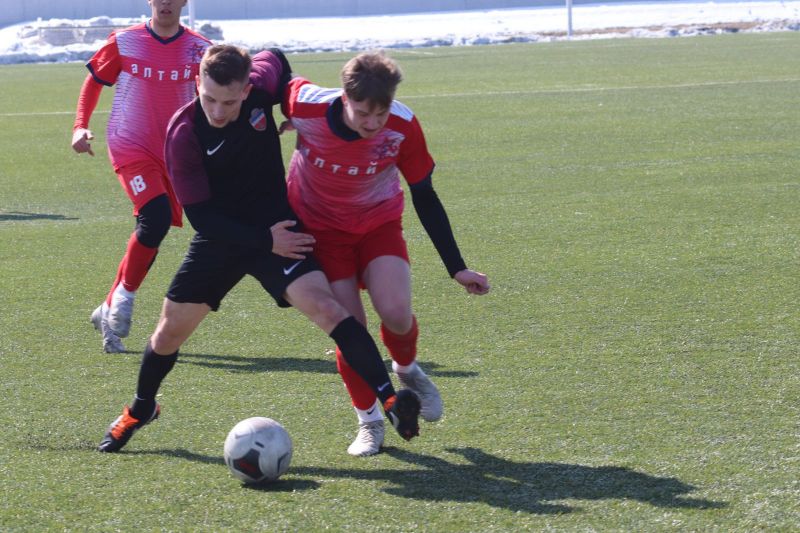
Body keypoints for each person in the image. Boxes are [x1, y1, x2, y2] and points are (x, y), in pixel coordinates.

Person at [97, 45, 421, 453]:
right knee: (167, 334)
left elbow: (278, 59)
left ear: (248, 90)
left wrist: (291, 112)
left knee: (329, 309)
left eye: (229, 101)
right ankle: (142, 408)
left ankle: (390, 401)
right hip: (223, 239)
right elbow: (203, 219)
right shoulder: (184, 133)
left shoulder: (260, 85)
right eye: (209, 98)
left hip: (278, 228)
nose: (218, 111)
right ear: (197, 83)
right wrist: (268, 240)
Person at [280, 51, 491, 456]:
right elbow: (273, 74)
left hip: (378, 225)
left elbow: (424, 195)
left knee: (395, 312)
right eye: (363, 113)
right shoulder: (306, 105)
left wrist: (457, 268)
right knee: (350, 329)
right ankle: (369, 422)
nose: (373, 123)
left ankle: (407, 370)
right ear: (344, 97)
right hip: (321, 235)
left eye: (381, 113)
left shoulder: (403, 126)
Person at [71, 0, 211, 353]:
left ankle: (108, 307)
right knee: (155, 218)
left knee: (153, 229)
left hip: (175, 152)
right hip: (130, 144)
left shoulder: (200, 49)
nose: (166, 3)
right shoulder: (125, 41)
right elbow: (93, 82)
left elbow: (214, 99)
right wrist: (80, 126)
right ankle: (125, 298)